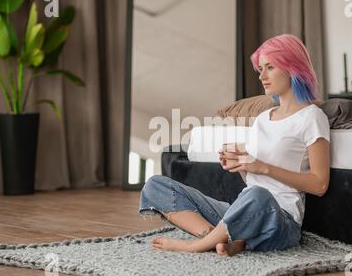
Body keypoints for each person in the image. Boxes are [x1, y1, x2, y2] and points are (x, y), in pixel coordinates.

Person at [139, 34, 331, 256]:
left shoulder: (312, 117)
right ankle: (217, 238)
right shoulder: (263, 118)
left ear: (291, 68)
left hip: (280, 219)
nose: (262, 76)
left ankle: (197, 246)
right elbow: (252, 180)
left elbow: (319, 184)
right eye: (260, 69)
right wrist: (241, 165)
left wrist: (263, 167)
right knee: (156, 185)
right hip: (243, 209)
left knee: (257, 196)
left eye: (270, 67)